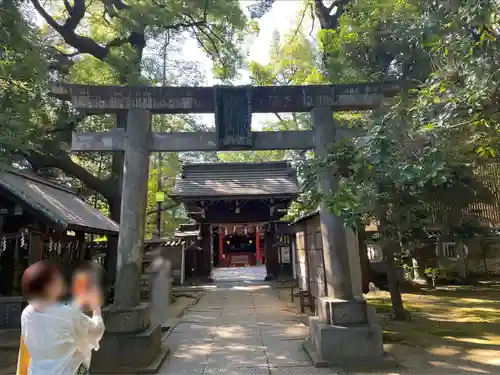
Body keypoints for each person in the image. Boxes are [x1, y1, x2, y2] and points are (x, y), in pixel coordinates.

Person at [18, 261, 105, 375]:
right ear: (48, 286)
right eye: (56, 279)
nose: (61, 282)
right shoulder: (67, 313)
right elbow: (96, 331)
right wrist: (96, 308)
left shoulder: (26, 313)